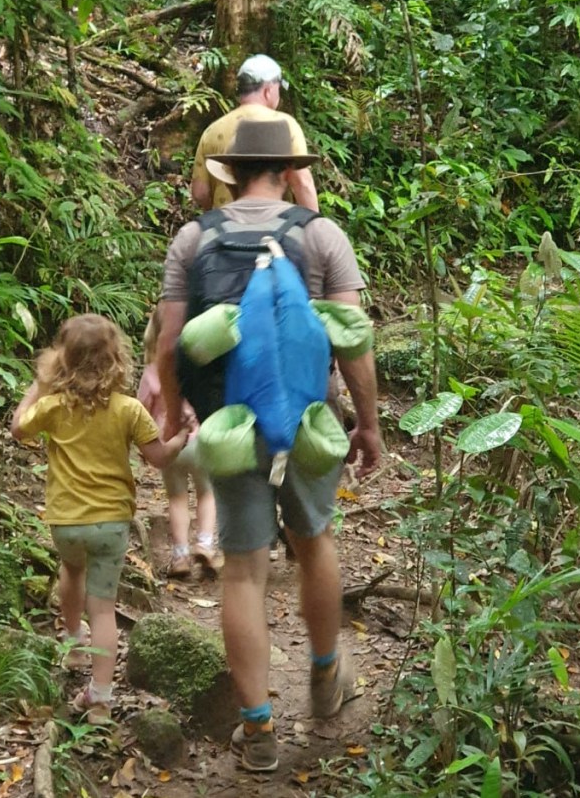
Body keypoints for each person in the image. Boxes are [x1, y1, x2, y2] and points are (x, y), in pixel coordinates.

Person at [156, 119, 381, 772]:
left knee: (246, 570)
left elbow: (171, 345)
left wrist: (177, 417)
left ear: (226, 174)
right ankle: (323, 678)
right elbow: (354, 340)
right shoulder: (321, 234)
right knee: (315, 544)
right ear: (287, 171)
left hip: (230, 428)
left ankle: (258, 732)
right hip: (310, 421)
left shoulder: (193, 240)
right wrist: (368, 424)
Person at [11, 314, 187, 724]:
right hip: (111, 523)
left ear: (62, 363)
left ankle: (74, 645)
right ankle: (102, 699)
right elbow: (158, 457)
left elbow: (18, 428)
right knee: (104, 608)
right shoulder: (129, 410)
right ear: (117, 361)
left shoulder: (53, 408)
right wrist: (179, 438)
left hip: (66, 522)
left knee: (71, 571)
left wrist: (38, 386)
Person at [137, 309, 222, 578]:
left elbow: (140, 411)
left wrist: (145, 445)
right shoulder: (197, 369)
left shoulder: (152, 373)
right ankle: (206, 544)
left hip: (167, 444)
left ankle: (180, 556)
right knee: (207, 492)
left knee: (176, 498)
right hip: (199, 440)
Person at [191, 54, 319, 213]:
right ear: (268, 90)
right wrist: (313, 225)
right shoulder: (284, 125)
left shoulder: (212, 130)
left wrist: (215, 214)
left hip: (225, 227)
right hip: (274, 228)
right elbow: (302, 183)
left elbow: (200, 191)